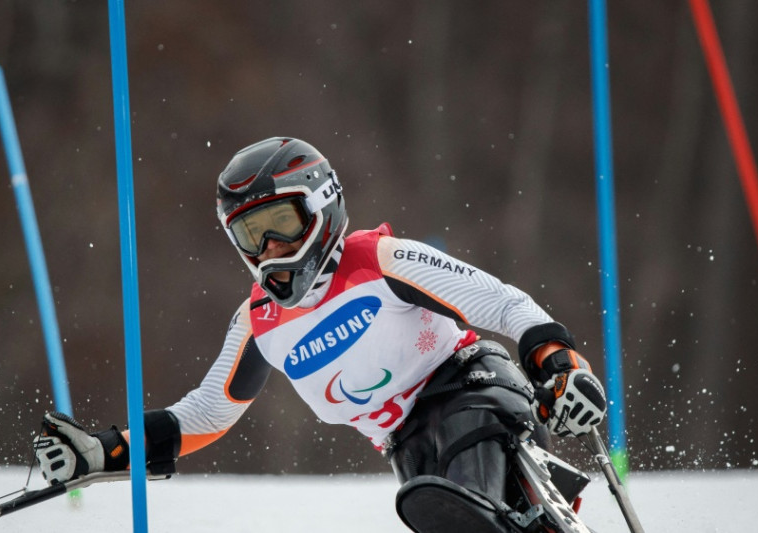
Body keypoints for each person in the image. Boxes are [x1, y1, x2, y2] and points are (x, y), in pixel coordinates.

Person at [33, 137, 607, 532]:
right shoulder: (259, 320)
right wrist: (107, 450)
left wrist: (559, 364)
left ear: (321, 206)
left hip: (474, 393)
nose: (269, 250)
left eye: (280, 225)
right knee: (435, 499)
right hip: (408, 444)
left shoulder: (379, 259)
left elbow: (502, 303)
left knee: (468, 493)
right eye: (251, 236)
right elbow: (206, 413)